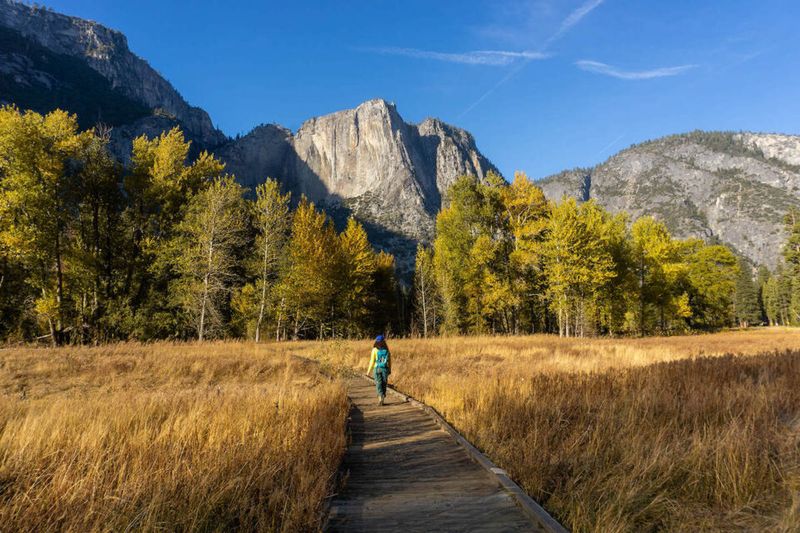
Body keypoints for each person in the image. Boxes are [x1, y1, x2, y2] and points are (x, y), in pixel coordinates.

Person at [367, 335, 391, 405]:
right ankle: (383, 396)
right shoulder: (386, 349)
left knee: (378, 383)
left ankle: (380, 398)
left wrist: (368, 371)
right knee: (384, 383)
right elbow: (389, 361)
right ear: (384, 341)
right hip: (385, 369)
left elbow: (372, 361)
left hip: (376, 368)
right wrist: (389, 369)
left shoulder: (374, 350)